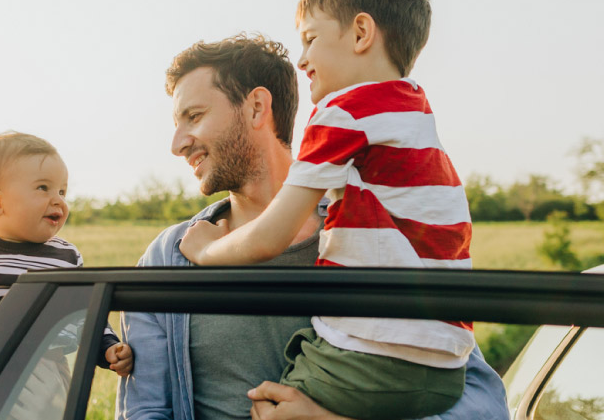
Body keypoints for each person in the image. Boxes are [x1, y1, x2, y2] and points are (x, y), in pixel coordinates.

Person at [118, 34, 506, 420]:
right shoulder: (166, 257)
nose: (177, 143)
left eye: (194, 116)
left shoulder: (377, 234)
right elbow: (145, 411)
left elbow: (481, 401)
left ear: (256, 107)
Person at [177, 0, 476, 418]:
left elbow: (269, 236)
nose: (303, 60)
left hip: (372, 352)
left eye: (311, 39)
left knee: (269, 406)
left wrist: (205, 251)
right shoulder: (415, 112)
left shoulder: (343, 113)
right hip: (445, 365)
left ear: (361, 33)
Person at [0, 131, 133, 375]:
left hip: (49, 369)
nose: (58, 200)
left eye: (62, 191)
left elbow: (85, 311)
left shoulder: (66, 255)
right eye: (43, 188)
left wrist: (108, 347)